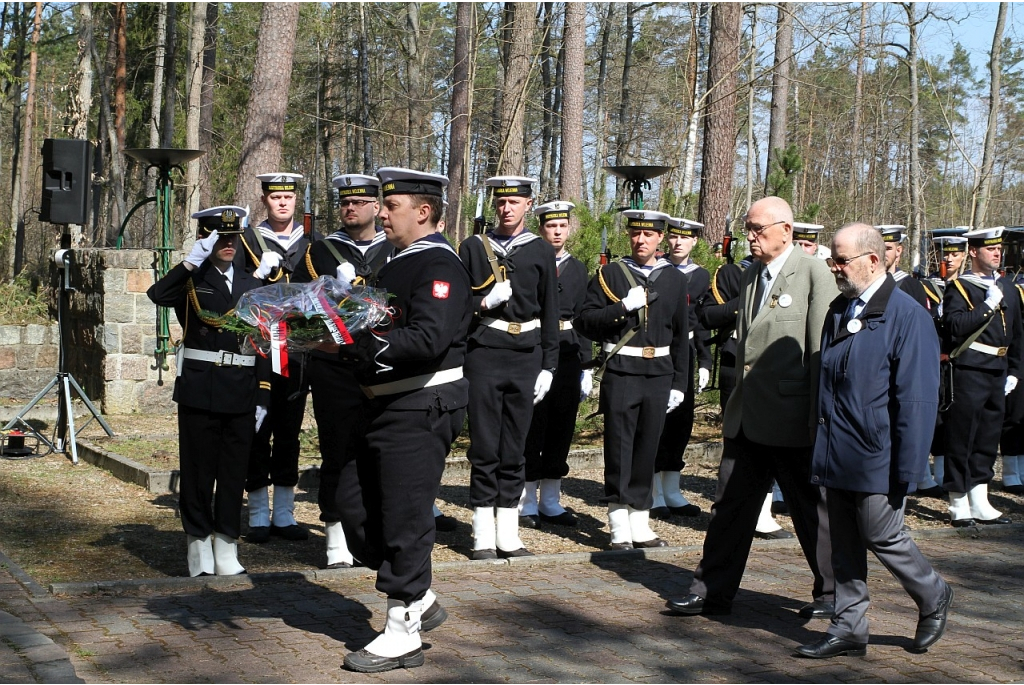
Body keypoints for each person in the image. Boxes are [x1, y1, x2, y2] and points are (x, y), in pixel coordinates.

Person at [666, 196, 837, 619]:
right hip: (746, 416)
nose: (751, 236)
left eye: (758, 229)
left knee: (810, 511)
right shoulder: (752, 276)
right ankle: (711, 591)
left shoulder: (814, 273)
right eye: (748, 228)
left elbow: (819, 351)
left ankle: (835, 594)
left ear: (786, 230)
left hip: (793, 418)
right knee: (730, 507)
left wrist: (818, 419)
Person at [330, 167, 471, 673]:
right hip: (380, 404)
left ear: (424, 211)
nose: (381, 213)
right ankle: (420, 594)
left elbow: (430, 338)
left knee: (405, 518)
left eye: (391, 206)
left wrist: (362, 342)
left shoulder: (440, 265)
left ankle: (402, 628)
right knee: (353, 506)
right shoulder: (396, 263)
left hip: (419, 405)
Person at [795, 222, 952, 659]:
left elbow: (917, 399)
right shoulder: (839, 310)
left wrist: (909, 469)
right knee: (843, 540)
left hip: (877, 454)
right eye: (832, 260)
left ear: (872, 260)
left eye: (841, 260)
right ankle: (848, 627)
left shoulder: (907, 315)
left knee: (881, 532)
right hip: (837, 448)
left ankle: (934, 593)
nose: (834, 268)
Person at [147, 206, 270, 576]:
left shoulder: (253, 282)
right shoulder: (191, 279)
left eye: (233, 237)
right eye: (220, 237)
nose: (228, 244)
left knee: (234, 470)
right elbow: (157, 294)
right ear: (207, 238)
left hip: (243, 386)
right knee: (199, 468)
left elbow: (264, 339)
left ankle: (227, 543)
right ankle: (197, 542)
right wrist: (188, 263)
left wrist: (264, 392)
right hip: (201, 384)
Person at [292, 173, 393, 568]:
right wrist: (326, 295)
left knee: (381, 450)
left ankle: (377, 532)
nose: (350, 209)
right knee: (337, 449)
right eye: (344, 203)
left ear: (375, 206)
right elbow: (297, 307)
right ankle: (335, 536)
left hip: (382, 363)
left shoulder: (395, 248)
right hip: (334, 365)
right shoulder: (320, 252)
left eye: (358, 202)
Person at [577, 210, 690, 550]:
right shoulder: (610, 274)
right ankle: (618, 523)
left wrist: (680, 384)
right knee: (620, 446)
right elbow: (585, 321)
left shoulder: (674, 278)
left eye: (649, 235)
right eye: (636, 234)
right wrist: (622, 308)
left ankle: (640, 521)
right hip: (623, 372)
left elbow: (683, 335)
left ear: (660, 239)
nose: (641, 240)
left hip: (659, 374)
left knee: (647, 447)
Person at [459, 175, 559, 560]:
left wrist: (549, 365)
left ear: (528, 205)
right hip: (485, 352)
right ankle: (483, 533)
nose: (506, 208)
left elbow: (551, 311)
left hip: (526, 356)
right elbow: (457, 307)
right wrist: (483, 302)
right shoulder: (472, 247)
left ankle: (509, 533)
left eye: (514, 202)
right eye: (501, 202)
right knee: (485, 445)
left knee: (515, 447)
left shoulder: (539, 251)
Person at [236, 172, 317, 544]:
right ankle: (257, 514)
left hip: (297, 350)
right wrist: (256, 274)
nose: (282, 203)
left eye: (288, 196)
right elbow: (236, 293)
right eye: (275, 197)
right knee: (258, 428)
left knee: (288, 429)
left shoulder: (312, 240)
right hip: (261, 348)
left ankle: (284, 513)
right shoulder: (248, 241)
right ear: (265, 200)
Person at [941, 227, 1021, 526]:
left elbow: (1017, 334)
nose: (997, 253)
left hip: (998, 370)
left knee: (988, 436)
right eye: (990, 249)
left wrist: (1014, 370)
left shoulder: (1008, 287)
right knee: (963, 436)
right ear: (973, 251)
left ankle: (979, 496)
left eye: (998, 248)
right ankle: (958, 500)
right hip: (970, 369)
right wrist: (988, 305)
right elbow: (955, 326)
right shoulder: (960, 288)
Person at [519, 200, 591, 529]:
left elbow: (584, 319)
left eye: (562, 226)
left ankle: (551, 499)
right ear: (541, 229)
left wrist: (587, 365)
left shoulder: (578, 268)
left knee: (562, 426)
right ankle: (526, 498)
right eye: (551, 226)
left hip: (569, 351)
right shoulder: (532, 261)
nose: (557, 231)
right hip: (537, 349)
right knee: (534, 425)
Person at [650, 217, 709, 520]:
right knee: (655, 421)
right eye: (673, 238)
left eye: (685, 239)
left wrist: (705, 360)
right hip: (660, 349)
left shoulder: (701, 276)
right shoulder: (656, 270)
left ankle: (671, 489)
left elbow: (700, 323)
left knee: (681, 422)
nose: (678, 243)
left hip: (684, 350)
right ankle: (652, 490)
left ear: (694, 242)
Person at [877, 224, 930, 309]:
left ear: (898, 251)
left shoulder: (913, 286)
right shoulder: (864, 285)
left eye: (888, 249)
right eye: (878, 248)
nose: (882, 253)